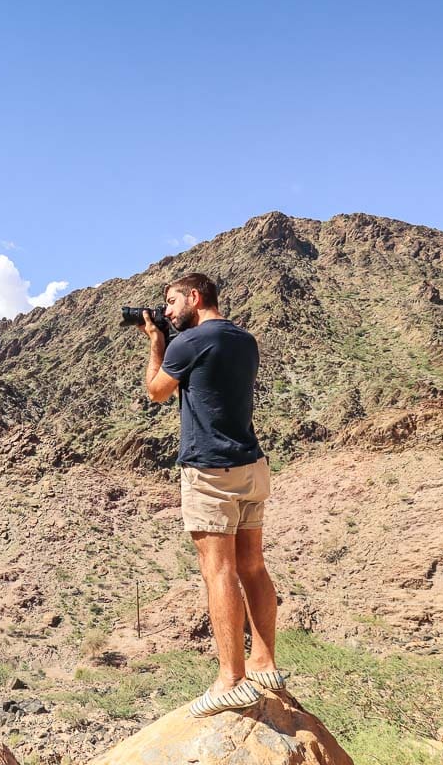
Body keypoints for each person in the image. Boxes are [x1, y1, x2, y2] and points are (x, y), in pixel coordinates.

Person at [136, 272, 285, 718]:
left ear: (194, 297)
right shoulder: (245, 340)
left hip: (210, 471)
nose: (166, 311)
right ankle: (264, 663)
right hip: (252, 465)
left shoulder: (187, 342)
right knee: (253, 565)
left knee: (218, 571)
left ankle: (231, 680)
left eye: (171, 301)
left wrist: (156, 342)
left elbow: (156, 391)